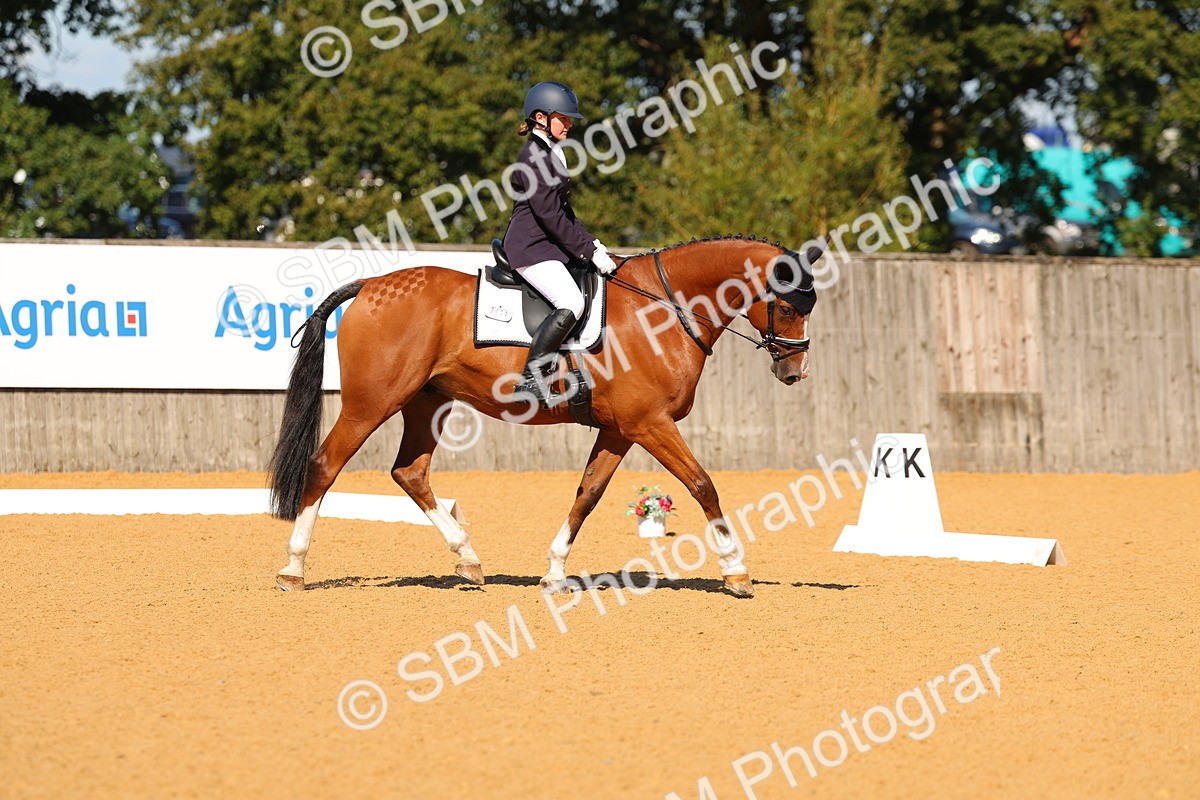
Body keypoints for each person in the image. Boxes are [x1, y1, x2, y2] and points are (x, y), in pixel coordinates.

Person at [502, 80, 618, 405]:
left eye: (569, 119)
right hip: (530, 248)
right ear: (541, 118)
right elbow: (550, 216)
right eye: (563, 118)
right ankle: (531, 379)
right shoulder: (533, 157)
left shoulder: (551, 152)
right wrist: (588, 251)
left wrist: (593, 244)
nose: (569, 124)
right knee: (572, 302)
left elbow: (565, 213)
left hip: (546, 245)